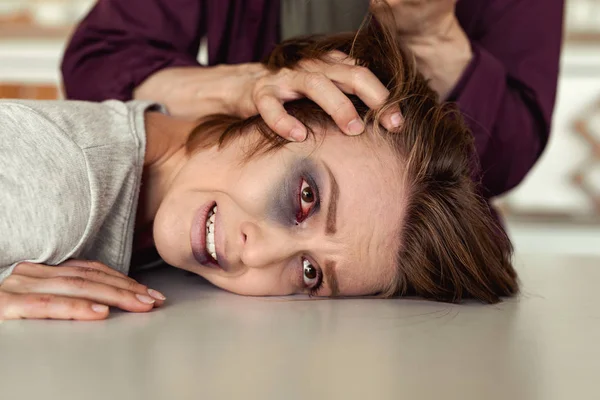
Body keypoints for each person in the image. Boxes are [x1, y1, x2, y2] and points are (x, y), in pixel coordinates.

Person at [0, 11, 517, 321]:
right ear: (275, 108)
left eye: (310, 272)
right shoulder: (63, 184)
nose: (261, 254)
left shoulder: (141, 209)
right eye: (305, 197)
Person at [61, 0, 564, 198]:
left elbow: (506, 160)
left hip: (418, 285)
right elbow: (98, 63)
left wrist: (432, 37)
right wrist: (246, 89)